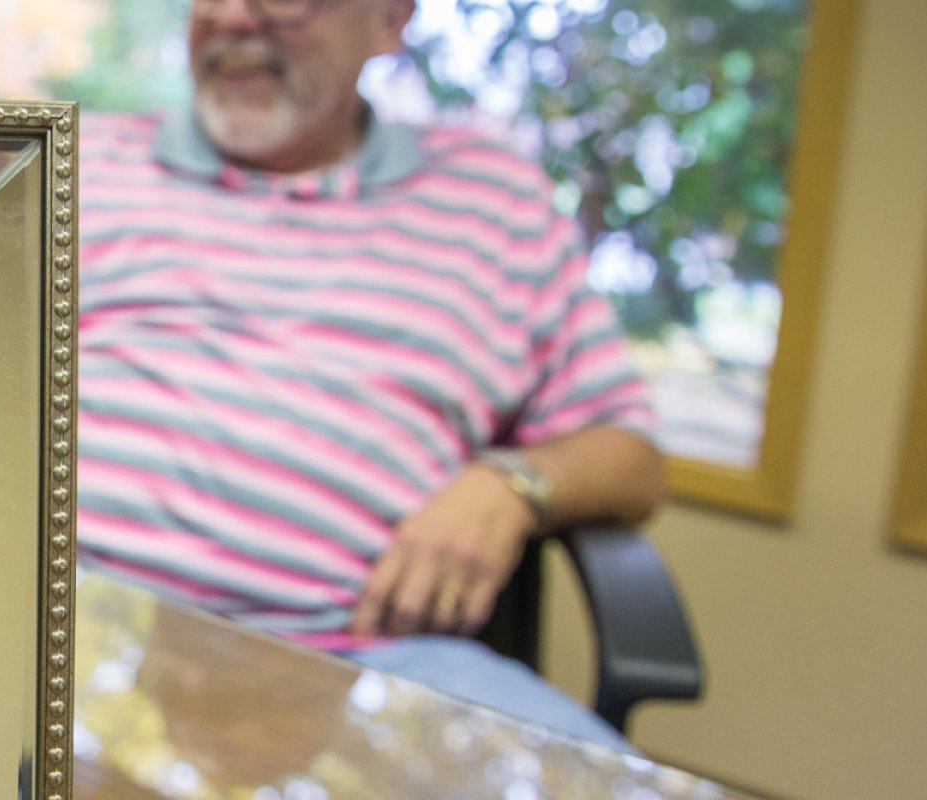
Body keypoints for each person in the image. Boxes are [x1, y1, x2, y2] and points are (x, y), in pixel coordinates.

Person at [76, 0, 667, 748]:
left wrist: (512, 485)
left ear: (389, 21)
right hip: (69, 622)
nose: (230, 16)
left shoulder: (493, 202)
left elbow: (633, 458)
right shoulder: (80, 161)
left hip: (365, 665)